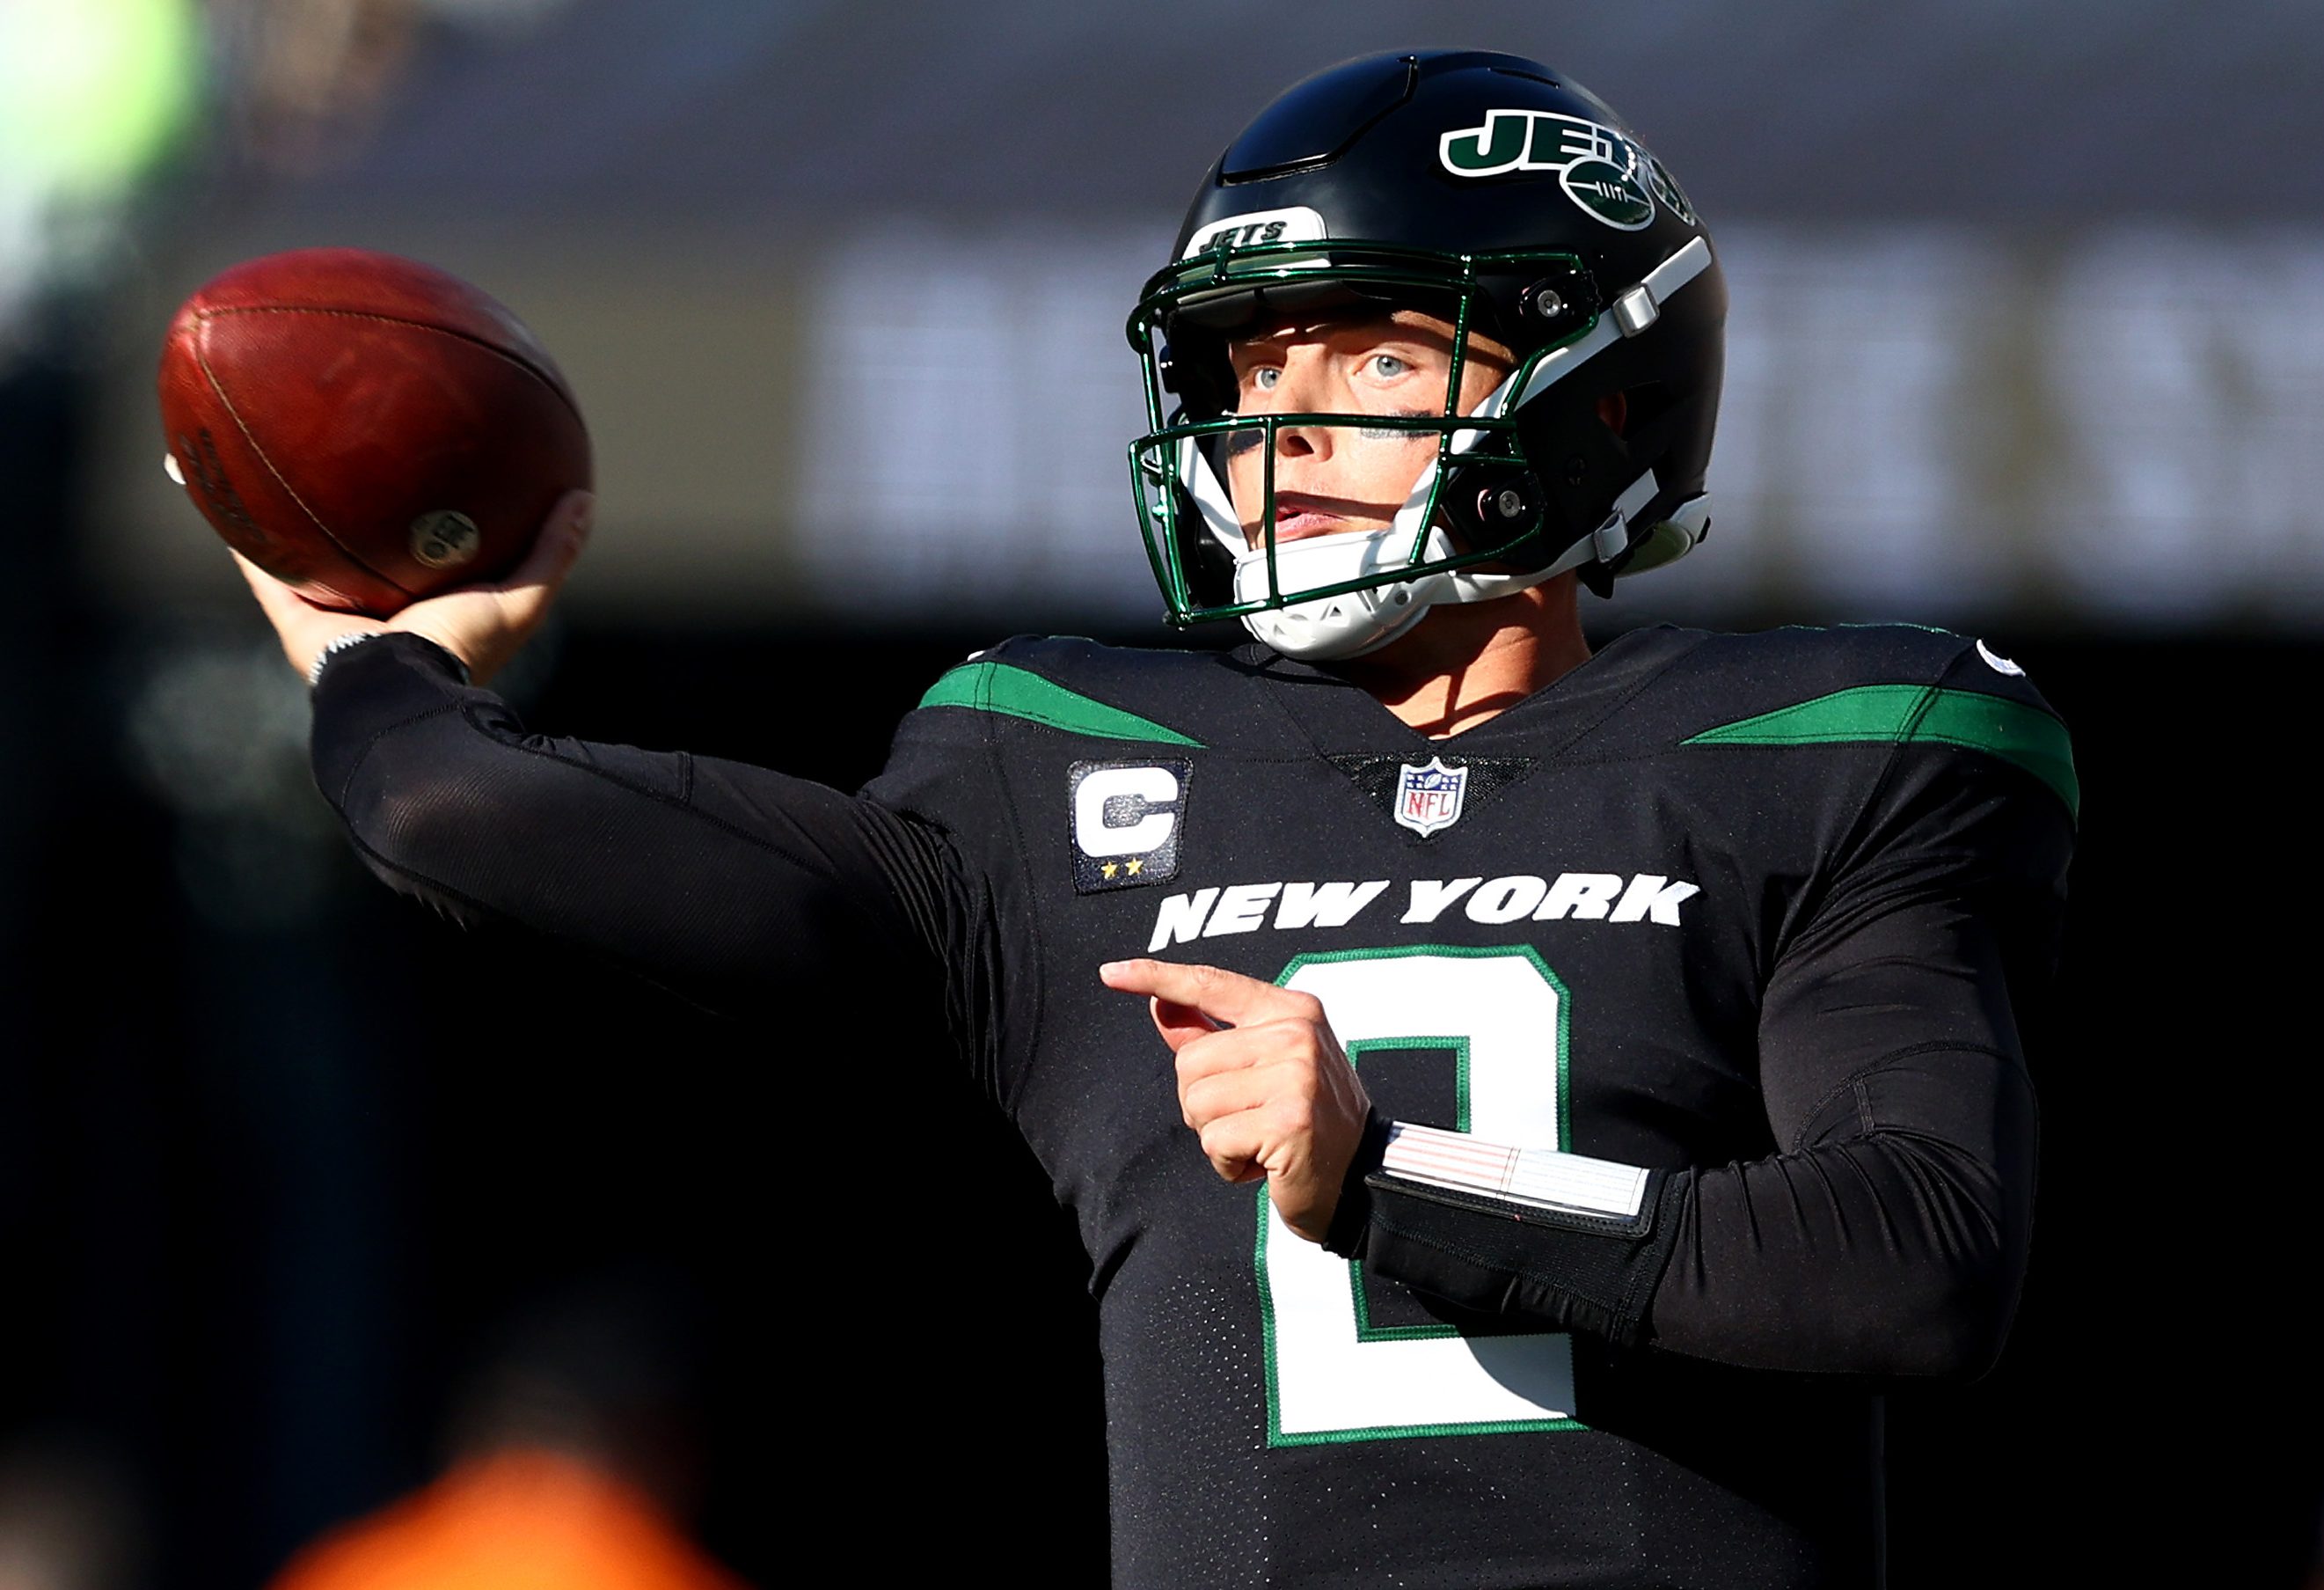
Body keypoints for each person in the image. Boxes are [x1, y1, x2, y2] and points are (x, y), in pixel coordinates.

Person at [238, 50, 2073, 1589]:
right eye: (1249, 369)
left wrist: (1380, 1173)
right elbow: (471, 817)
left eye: (1364, 357)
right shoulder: (1054, 770)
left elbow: (1910, 1259)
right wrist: (381, 670)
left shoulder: (1827, 742)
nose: (1280, 426)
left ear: (1595, 382)